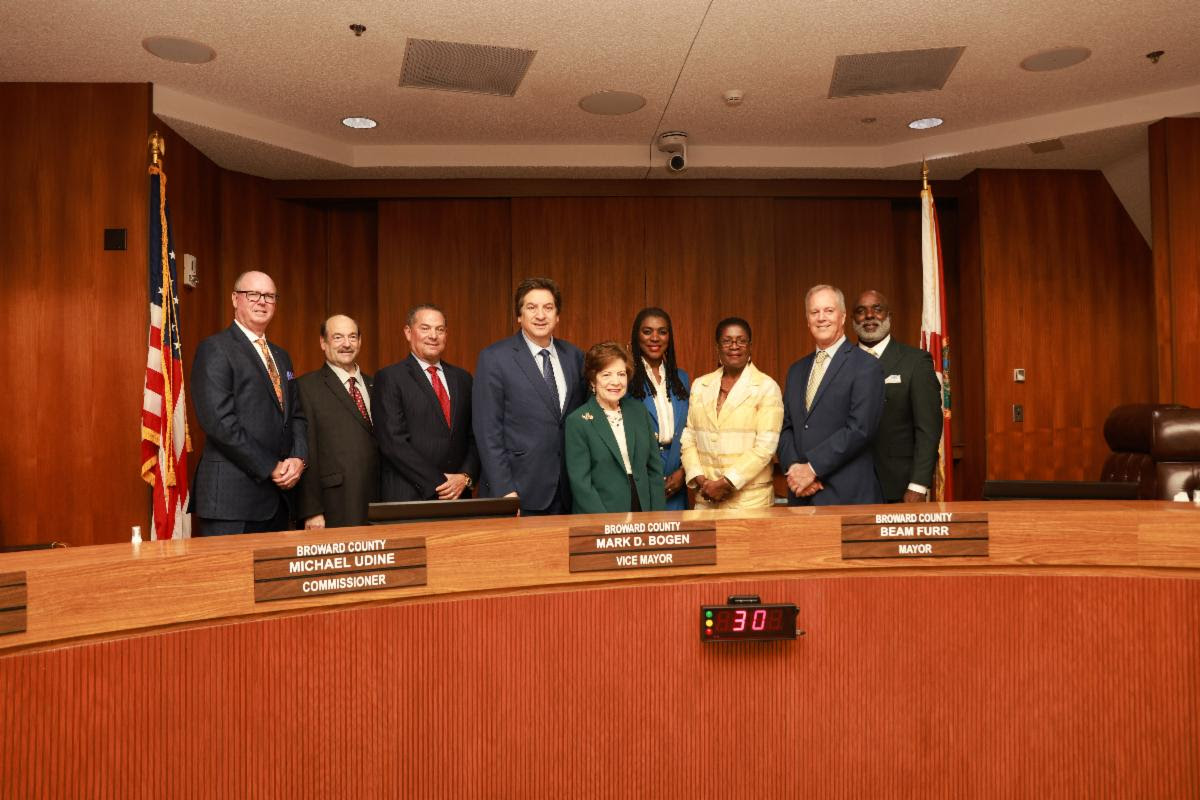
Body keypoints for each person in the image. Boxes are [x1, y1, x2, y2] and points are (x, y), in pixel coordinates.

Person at [191, 270, 307, 536]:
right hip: (232, 504)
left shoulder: (281, 356)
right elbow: (219, 422)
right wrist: (271, 467)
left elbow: (296, 416)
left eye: (269, 296)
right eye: (253, 294)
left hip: (279, 501)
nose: (262, 301)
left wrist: (299, 458)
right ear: (235, 299)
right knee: (228, 579)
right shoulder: (215, 348)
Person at [473, 277, 586, 515]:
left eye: (548, 307)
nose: (540, 315)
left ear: (557, 316)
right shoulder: (495, 358)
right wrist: (504, 490)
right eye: (531, 307)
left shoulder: (574, 356)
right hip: (519, 491)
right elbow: (487, 431)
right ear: (519, 315)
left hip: (567, 491)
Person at [778, 284, 885, 505]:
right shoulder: (796, 370)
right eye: (814, 312)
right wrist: (795, 471)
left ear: (843, 316)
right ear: (807, 320)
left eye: (829, 311)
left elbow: (860, 429)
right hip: (802, 495)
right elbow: (785, 427)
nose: (821, 318)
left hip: (846, 497)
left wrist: (812, 469)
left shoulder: (866, 366)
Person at [374, 304, 479, 502]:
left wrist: (464, 477)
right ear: (408, 332)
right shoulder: (389, 377)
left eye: (440, 329)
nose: (433, 335)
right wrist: (440, 484)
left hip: (459, 497)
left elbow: (475, 437)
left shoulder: (463, 378)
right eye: (425, 328)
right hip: (410, 497)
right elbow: (393, 443)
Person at [680, 318, 783, 509]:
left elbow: (765, 447)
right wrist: (703, 481)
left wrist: (726, 483)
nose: (734, 346)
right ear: (717, 347)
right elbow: (689, 437)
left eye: (741, 340)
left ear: (750, 346)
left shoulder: (766, 387)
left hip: (750, 501)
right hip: (706, 498)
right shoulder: (700, 385)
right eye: (727, 341)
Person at [852, 290, 942, 503]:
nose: (869, 316)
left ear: (889, 316)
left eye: (877, 309)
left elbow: (928, 428)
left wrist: (918, 485)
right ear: (852, 319)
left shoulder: (915, 362)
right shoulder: (842, 363)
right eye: (861, 311)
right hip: (850, 487)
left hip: (899, 487)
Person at [293, 315, 380, 529]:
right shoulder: (305, 387)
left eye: (352, 337)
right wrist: (311, 510)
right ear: (323, 343)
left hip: (378, 502)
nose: (346, 344)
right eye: (338, 337)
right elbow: (305, 449)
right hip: (334, 505)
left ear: (360, 341)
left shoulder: (377, 385)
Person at [566, 342, 666, 514]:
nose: (616, 382)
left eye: (621, 374)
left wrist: (657, 518)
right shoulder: (578, 421)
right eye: (606, 375)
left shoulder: (638, 411)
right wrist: (605, 523)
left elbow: (654, 469)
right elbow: (581, 483)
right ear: (592, 380)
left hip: (644, 508)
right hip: (602, 513)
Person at [628, 308, 690, 510]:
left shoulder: (682, 379)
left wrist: (683, 472)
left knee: (676, 540)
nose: (655, 338)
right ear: (636, 335)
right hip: (638, 480)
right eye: (647, 331)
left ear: (669, 337)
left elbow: (691, 430)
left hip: (676, 481)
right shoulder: (624, 378)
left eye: (662, 332)